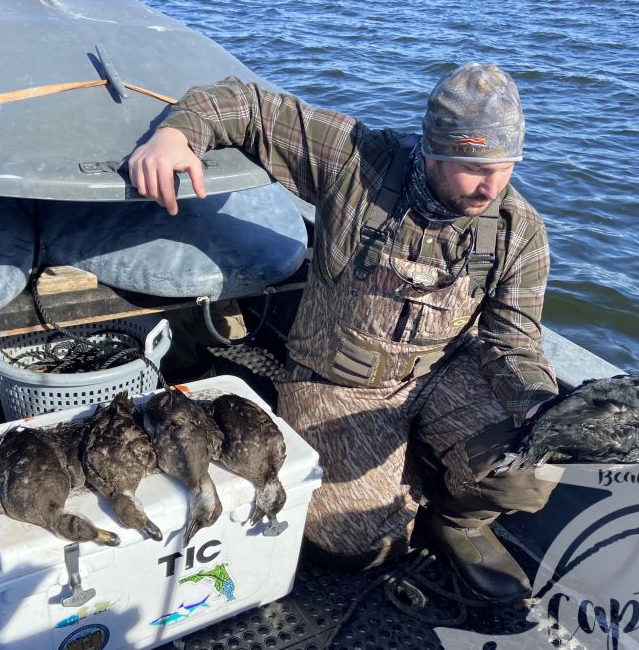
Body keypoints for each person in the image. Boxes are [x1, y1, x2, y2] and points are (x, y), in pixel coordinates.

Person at [129, 63, 561, 599]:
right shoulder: (357, 161)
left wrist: (540, 404)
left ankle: (458, 520)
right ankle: (399, 487)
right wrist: (176, 135)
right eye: (471, 167)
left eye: (504, 167)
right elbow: (250, 108)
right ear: (430, 151)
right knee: (353, 551)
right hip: (335, 380)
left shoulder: (519, 229)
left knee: (533, 464)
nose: (489, 186)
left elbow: (514, 341)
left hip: (441, 374)